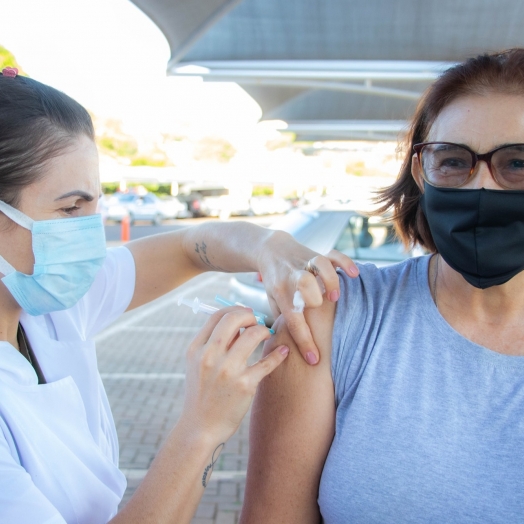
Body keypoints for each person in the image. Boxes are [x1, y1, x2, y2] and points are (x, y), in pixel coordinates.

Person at [0, 67, 358, 524]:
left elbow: (191, 248)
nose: (92, 232)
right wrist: (201, 426)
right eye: (71, 209)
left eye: (95, 205)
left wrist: (268, 247)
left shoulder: (47, 307)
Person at [240, 48, 524, 524]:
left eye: (517, 164)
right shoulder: (337, 313)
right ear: (420, 171)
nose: (483, 188)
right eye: (453, 161)